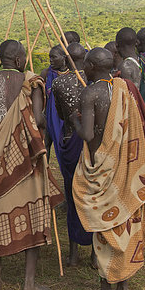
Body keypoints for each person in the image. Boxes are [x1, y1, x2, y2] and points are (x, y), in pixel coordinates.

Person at [70, 48, 145, 290]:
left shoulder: (90, 93)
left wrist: (74, 120)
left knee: (106, 227)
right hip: (128, 170)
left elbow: (86, 135)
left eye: (86, 64)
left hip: (101, 170)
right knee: (128, 223)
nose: (83, 67)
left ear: (93, 66)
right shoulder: (126, 89)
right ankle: (124, 288)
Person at [0, 40, 64, 290]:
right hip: (25, 159)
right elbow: (37, 120)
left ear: (1, 59)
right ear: (21, 60)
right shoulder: (32, 82)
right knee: (33, 212)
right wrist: (15, 122)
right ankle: (29, 284)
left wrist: (0, 122)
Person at [51, 42, 93, 266]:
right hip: (93, 144)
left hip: (72, 140)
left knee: (73, 196)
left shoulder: (59, 83)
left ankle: (73, 254)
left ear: (66, 60)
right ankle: (96, 253)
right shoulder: (98, 81)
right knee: (94, 196)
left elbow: (59, 113)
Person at [39, 45, 69, 159]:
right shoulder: (46, 73)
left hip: (64, 118)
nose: (51, 60)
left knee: (64, 146)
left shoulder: (72, 75)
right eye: (49, 57)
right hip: (48, 115)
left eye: (54, 57)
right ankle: (45, 172)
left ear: (64, 58)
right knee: (45, 145)